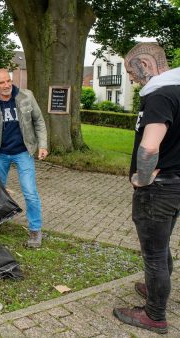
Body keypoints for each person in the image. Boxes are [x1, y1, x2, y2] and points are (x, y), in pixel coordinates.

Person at [112, 42, 180, 335]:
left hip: (159, 188)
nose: (129, 78)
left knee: (153, 253)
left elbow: (150, 145)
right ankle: (156, 290)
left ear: (145, 65)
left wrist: (140, 178)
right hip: (177, 184)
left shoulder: (159, 94)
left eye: (130, 71)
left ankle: (154, 315)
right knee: (162, 245)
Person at [0, 69, 48, 248]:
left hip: (23, 152)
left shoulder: (26, 96)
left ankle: (35, 230)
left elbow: (39, 121)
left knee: (30, 192)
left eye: (8, 81)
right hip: (0, 154)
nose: (6, 86)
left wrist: (42, 145)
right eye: (1, 83)